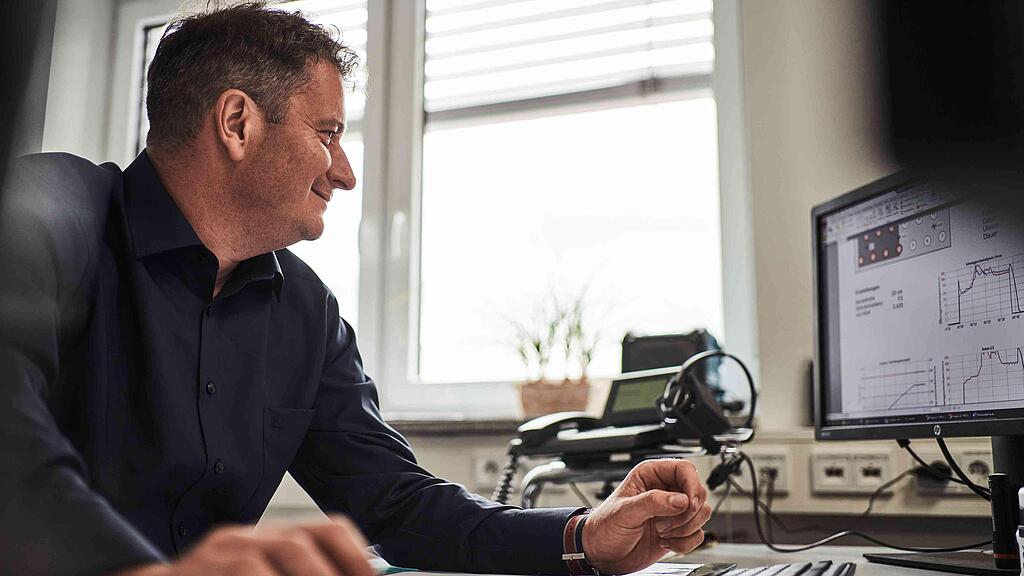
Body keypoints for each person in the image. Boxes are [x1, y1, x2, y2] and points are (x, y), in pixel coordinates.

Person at [0, 3, 712, 575]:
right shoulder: (48, 212)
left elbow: (398, 507)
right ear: (238, 122)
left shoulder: (306, 312)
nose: (344, 172)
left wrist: (586, 535)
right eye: (329, 133)